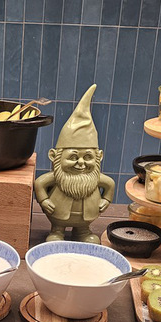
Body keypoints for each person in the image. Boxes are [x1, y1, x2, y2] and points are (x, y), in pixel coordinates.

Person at [34, 85, 115, 243]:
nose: (81, 163)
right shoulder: (57, 178)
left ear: (99, 156)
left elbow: (110, 184)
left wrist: (106, 200)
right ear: (54, 156)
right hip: (58, 214)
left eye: (88, 157)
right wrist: (44, 200)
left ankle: (83, 232)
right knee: (56, 234)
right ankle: (57, 231)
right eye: (73, 157)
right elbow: (40, 183)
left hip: (87, 215)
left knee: (87, 235)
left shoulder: (96, 178)